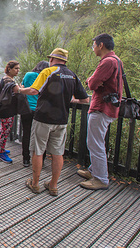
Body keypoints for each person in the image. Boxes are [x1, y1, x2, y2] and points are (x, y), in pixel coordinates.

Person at [19, 48, 89, 196]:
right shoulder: (72, 76)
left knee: (38, 151)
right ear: (65, 61)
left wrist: (20, 90)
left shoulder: (48, 72)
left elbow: (33, 91)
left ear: (51, 59)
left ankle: (35, 184)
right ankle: (53, 186)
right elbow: (85, 100)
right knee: (58, 153)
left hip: (43, 118)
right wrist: (71, 100)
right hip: (62, 120)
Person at [78, 33, 123, 190]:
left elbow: (93, 84)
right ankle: (93, 170)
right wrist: (95, 80)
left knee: (95, 143)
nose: (93, 49)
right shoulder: (116, 60)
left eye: (94, 45)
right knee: (97, 141)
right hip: (108, 107)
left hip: (102, 107)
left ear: (101, 45)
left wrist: (90, 80)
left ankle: (101, 179)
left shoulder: (107, 62)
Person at [20, 61, 49, 167]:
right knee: (41, 136)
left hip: (27, 109)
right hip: (41, 109)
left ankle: (26, 159)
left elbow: (22, 86)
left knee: (26, 133)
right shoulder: (47, 77)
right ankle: (42, 159)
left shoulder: (29, 75)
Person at [0, 61, 21, 163]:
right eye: (15, 68)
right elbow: (17, 90)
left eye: (18, 68)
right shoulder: (8, 80)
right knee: (5, 130)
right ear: (9, 69)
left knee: (4, 129)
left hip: (6, 108)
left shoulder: (6, 79)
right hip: (6, 109)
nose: (17, 70)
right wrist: (21, 88)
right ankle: (0, 152)